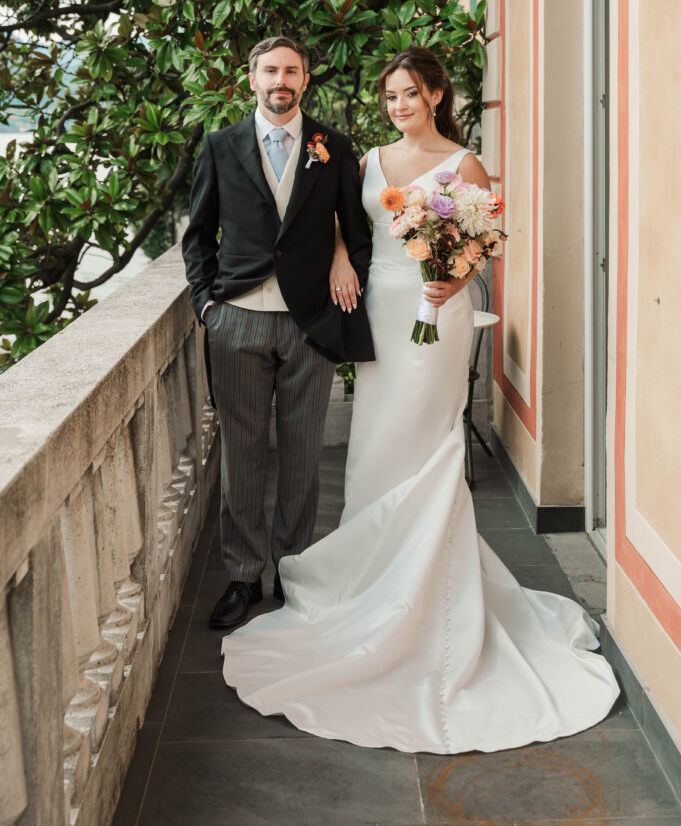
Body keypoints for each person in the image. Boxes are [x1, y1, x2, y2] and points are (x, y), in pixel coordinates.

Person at [220, 47, 619, 754]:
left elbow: (482, 241)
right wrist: (342, 258)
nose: (398, 105)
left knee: (427, 442)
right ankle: (369, 582)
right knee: (376, 444)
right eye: (390, 96)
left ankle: (430, 598)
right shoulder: (367, 158)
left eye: (410, 94)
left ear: (435, 95)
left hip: (435, 315)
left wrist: (454, 280)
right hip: (378, 310)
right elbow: (343, 224)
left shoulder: (462, 164)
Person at [182, 36, 374, 631]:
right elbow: (198, 238)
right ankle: (243, 575)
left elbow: (358, 230)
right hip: (236, 320)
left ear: (306, 80)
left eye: (291, 70)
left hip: (309, 323)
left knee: (301, 455)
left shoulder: (333, 147)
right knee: (240, 456)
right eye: (270, 69)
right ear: (252, 79)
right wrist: (208, 309)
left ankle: (293, 570)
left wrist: (345, 261)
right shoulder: (219, 147)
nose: (280, 79)